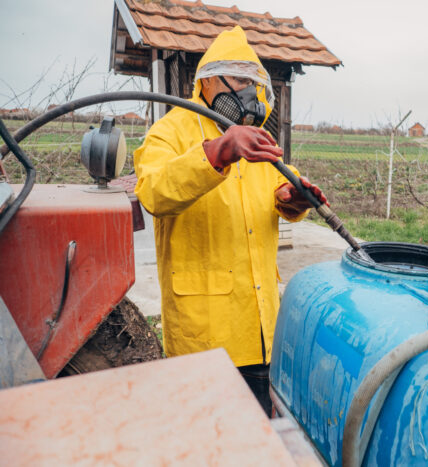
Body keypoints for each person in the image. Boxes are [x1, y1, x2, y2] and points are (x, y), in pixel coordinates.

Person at [133, 26, 327, 416]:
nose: (249, 94)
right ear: (207, 81)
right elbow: (153, 192)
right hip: (204, 335)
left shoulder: (257, 141)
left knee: (256, 437)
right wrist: (219, 151)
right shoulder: (170, 131)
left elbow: (278, 196)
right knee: (208, 440)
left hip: (261, 329)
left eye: (255, 85)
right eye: (240, 80)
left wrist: (294, 199)